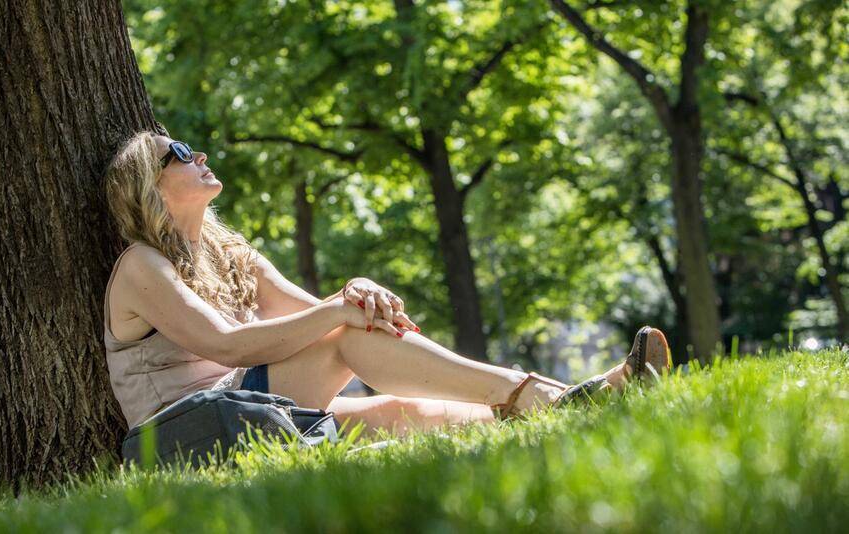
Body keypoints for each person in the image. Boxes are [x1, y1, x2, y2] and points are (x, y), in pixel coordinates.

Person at [102, 132, 671, 438]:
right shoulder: (142, 266)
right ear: (147, 187)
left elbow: (316, 313)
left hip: (255, 403)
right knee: (347, 335)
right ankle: (545, 396)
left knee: (405, 412)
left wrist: (357, 295)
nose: (196, 153)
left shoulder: (230, 253)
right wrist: (341, 315)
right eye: (177, 153)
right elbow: (227, 344)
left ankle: (573, 402)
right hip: (190, 431)